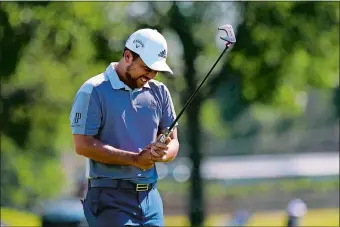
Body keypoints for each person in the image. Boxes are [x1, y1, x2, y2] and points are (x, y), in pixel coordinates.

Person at [69, 28, 180, 227]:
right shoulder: (93, 90)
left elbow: (173, 141)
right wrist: (135, 160)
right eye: (146, 68)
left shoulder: (160, 91)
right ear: (128, 56)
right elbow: (83, 144)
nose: (152, 75)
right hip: (110, 197)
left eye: (156, 70)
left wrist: (160, 154)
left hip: (150, 197)